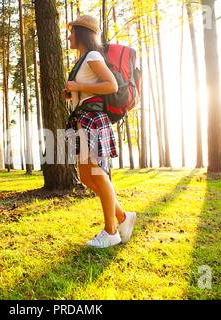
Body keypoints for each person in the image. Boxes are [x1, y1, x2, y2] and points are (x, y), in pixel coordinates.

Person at [64, 15, 137, 249]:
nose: (68, 36)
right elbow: (88, 89)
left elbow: (111, 85)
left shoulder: (93, 56)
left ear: (81, 33)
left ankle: (111, 231)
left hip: (93, 119)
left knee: (97, 173)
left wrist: (79, 87)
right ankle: (123, 216)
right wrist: (73, 93)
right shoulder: (83, 59)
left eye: (71, 32)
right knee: (86, 177)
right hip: (83, 119)